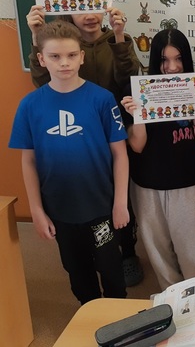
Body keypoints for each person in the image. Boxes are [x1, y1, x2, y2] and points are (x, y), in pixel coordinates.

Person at [9, 20, 129, 304]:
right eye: (55, 56)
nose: (64, 63)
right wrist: (36, 210)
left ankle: (118, 315)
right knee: (77, 271)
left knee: (111, 268)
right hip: (60, 208)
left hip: (101, 206)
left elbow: (120, 154)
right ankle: (88, 313)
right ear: (41, 59)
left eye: (71, 55)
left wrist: (120, 202)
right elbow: (29, 161)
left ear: (82, 57)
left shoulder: (102, 99)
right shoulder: (29, 105)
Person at [26, 4, 144, 287]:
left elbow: (131, 81)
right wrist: (35, 36)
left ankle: (127, 252)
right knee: (82, 221)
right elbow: (43, 82)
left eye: (94, 6)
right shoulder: (60, 46)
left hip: (115, 128)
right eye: (80, 8)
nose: (89, 15)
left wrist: (119, 37)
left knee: (119, 198)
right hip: (76, 135)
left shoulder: (115, 41)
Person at [120, 28, 195, 290]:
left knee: (191, 249)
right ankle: (172, 296)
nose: (172, 67)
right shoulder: (137, 90)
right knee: (158, 249)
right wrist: (138, 115)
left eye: (178, 58)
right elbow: (137, 146)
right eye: (164, 60)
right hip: (148, 183)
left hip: (188, 182)